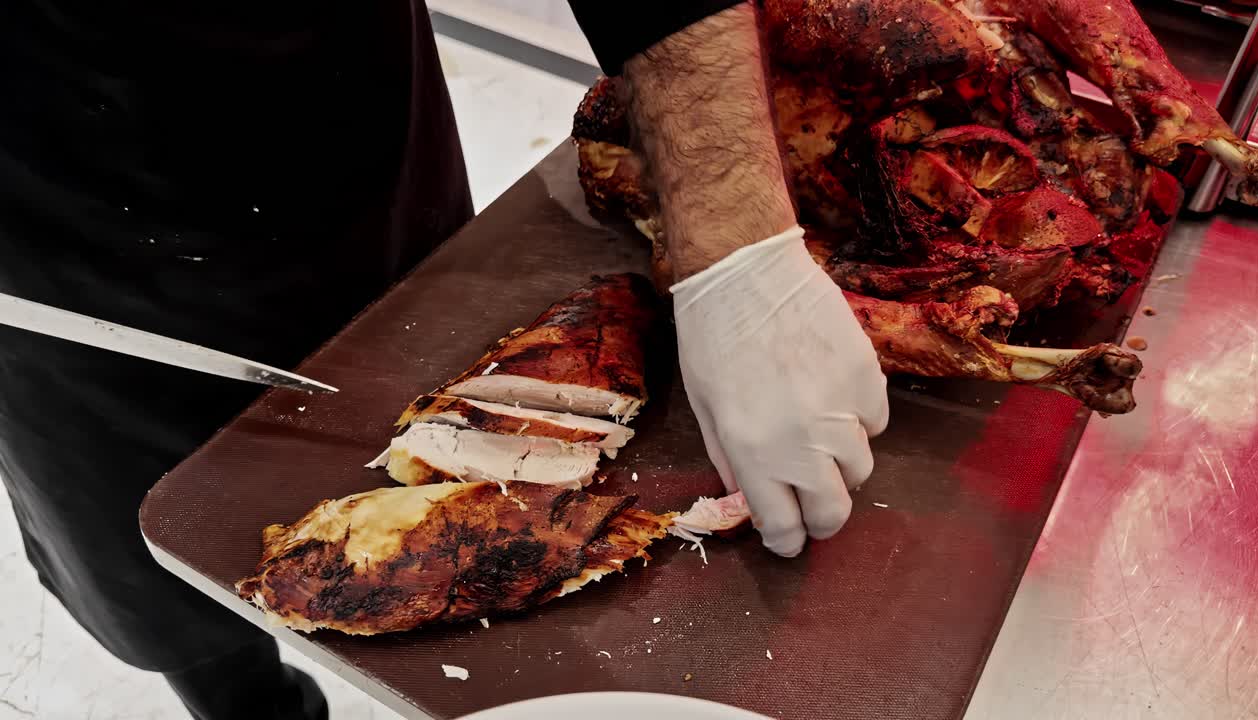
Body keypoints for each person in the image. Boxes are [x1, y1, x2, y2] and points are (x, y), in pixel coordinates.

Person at [0, 1, 886, 718]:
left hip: (346, 117)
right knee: (161, 586)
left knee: (429, 341)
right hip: (50, 249)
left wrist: (740, 253)